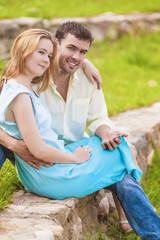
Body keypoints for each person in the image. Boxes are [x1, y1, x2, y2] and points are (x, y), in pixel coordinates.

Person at [0, 28, 160, 240]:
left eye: (83, 52)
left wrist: (106, 132)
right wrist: (12, 143)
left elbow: (98, 119)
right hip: (51, 164)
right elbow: (34, 144)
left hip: (65, 151)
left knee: (117, 144)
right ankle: (149, 231)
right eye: (71, 48)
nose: (76, 56)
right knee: (121, 158)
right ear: (57, 45)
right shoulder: (33, 81)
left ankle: (148, 229)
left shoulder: (82, 78)